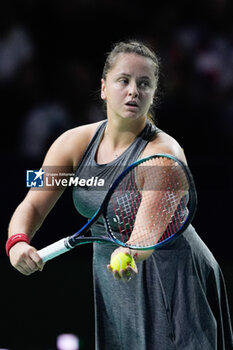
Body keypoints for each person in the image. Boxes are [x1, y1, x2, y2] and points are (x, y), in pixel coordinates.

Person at [6, 41, 233, 350]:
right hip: (111, 272)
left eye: (144, 84)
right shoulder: (71, 144)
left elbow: (144, 236)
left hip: (170, 276)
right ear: (103, 88)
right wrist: (17, 241)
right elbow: (33, 202)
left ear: (153, 93)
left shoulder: (163, 155)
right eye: (123, 80)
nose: (133, 91)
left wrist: (128, 252)